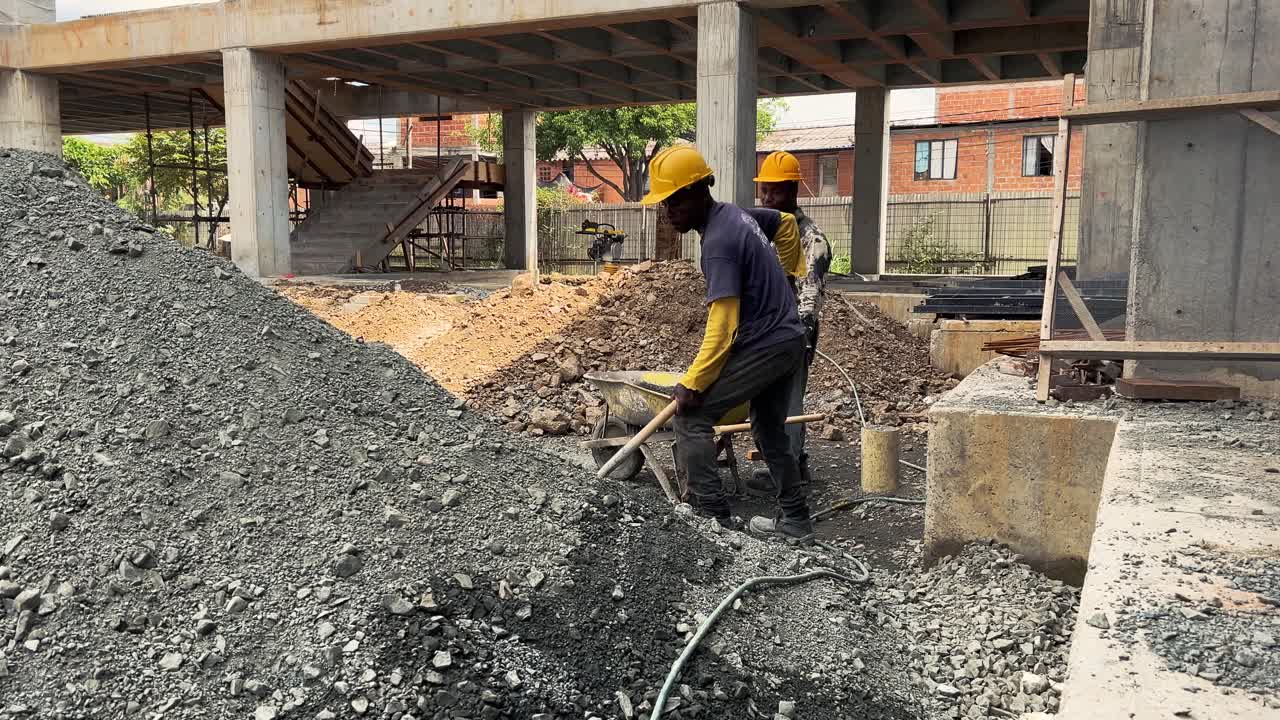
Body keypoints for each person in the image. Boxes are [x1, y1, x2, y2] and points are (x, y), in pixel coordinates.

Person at [641, 145, 815, 539]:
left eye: (673, 201)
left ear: (697, 191)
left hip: (768, 344)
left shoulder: (718, 243)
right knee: (768, 428)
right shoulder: (736, 214)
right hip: (790, 340)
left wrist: (693, 383)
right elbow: (786, 224)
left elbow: (722, 325)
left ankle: (713, 521)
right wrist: (787, 277)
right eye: (664, 203)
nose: (667, 211)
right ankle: (796, 520)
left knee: (692, 417)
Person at [749, 151, 833, 494]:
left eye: (776, 191)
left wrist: (798, 336)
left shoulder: (810, 238)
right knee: (771, 401)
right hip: (768, 331)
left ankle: (788, 476)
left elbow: (810, 294)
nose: (768, 198)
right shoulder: (768, 231)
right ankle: (794, 465)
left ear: (793, 190)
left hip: (793, 332)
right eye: (764, 191)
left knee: (788, 403)